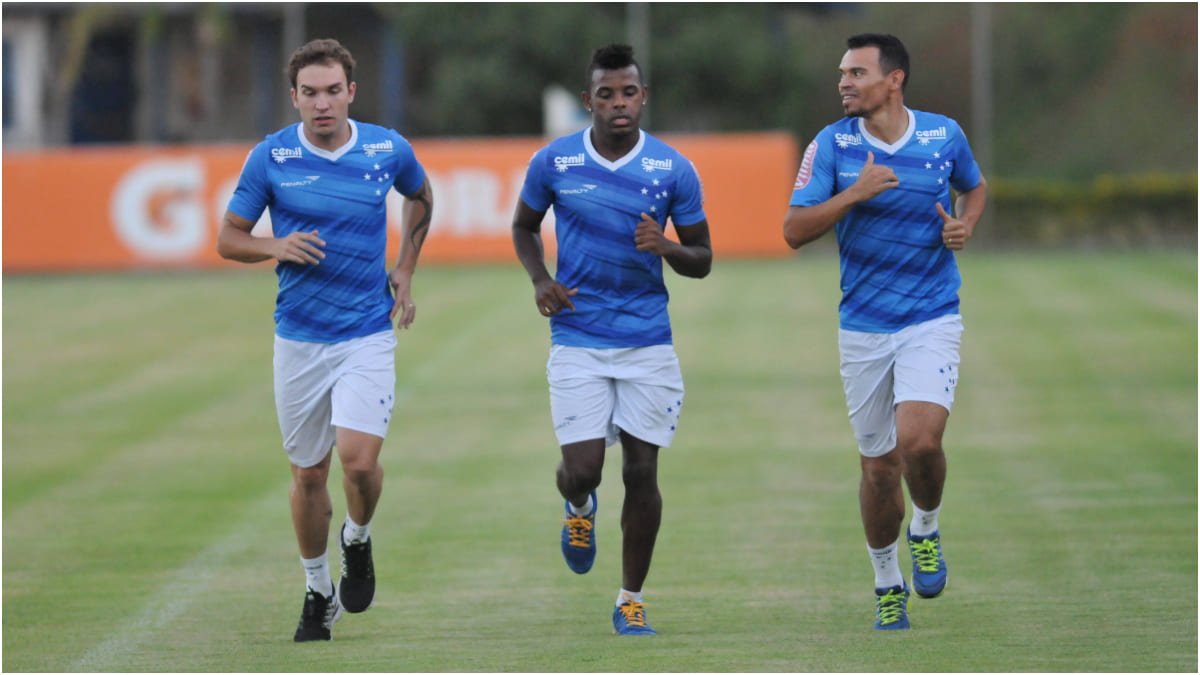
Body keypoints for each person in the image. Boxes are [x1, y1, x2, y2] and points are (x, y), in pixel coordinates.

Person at [216, 38, 433, 642]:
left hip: (365, 333)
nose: (322, 103)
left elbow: (421, 195)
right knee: (309, 476)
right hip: (299, 341)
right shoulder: (272, 157)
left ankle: (357, 539)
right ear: (295, 98)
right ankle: (317, 591)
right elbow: (229, 238)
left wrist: (406, 269)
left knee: (358, 464)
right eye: (309, 93)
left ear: (351, 93)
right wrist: (274, 245)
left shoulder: (386, 149)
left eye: (332, 90)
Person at [782, 33, 987, 631]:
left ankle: (925, 527)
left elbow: (973, 186)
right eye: (841, 73)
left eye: (856, 72)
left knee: (919, 442)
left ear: (894, 80)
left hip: (931, 313)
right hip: (864, 326)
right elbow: (793, 230)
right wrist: (854, 193)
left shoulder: (943, 135)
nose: (843, 82)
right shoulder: (832, 145)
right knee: (877, 468)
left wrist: (965, 226)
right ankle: (885, 581)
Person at [511, 44, 712, 636]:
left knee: (643, 472)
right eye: (607, 94)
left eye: (629, 93)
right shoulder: (555, 162)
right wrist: (541, 278)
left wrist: (668, 247)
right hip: (577, 336)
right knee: (584, 470)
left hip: (647, 340)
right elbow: (523, 227)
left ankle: (630, 599)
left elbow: (702, 259)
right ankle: (577, 507)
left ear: (643, 97)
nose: (619, 104)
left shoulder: (672, 169)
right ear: (588, 101)